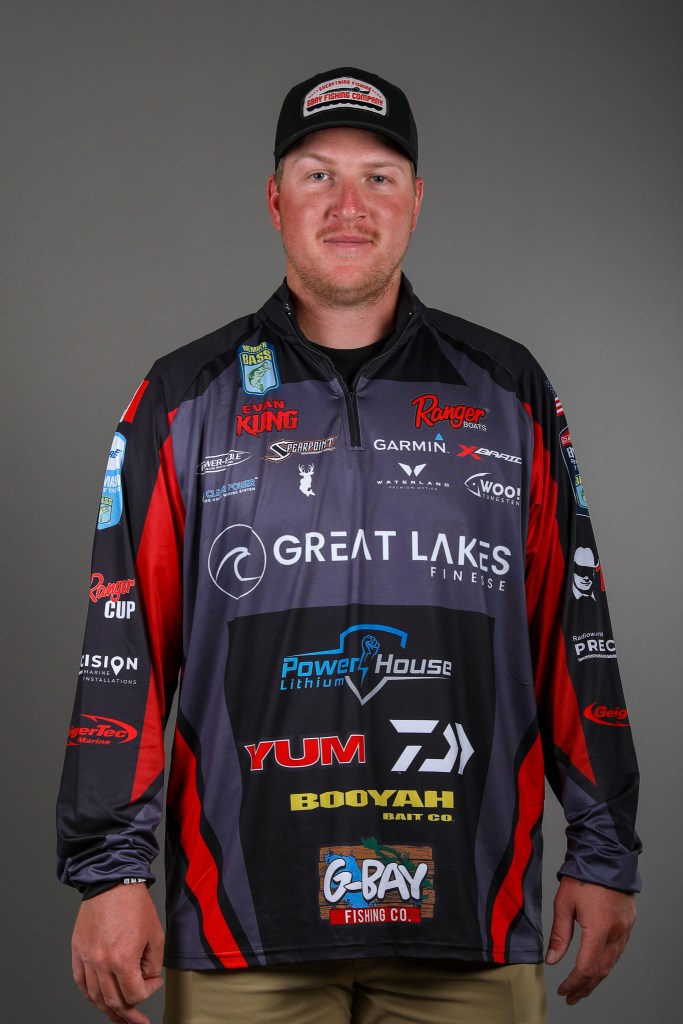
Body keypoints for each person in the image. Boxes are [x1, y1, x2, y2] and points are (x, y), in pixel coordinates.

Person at [57, 67, 641, 1024]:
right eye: (318, 174)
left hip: (468, 922)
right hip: (243, 930)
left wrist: (603, 849)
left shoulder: (507, 389)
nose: (347, 205)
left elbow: (573, 633)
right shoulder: (184, 396)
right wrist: (109, 873)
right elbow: (124, 645)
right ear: (274, 199)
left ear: (415, 200)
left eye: (377, 177)